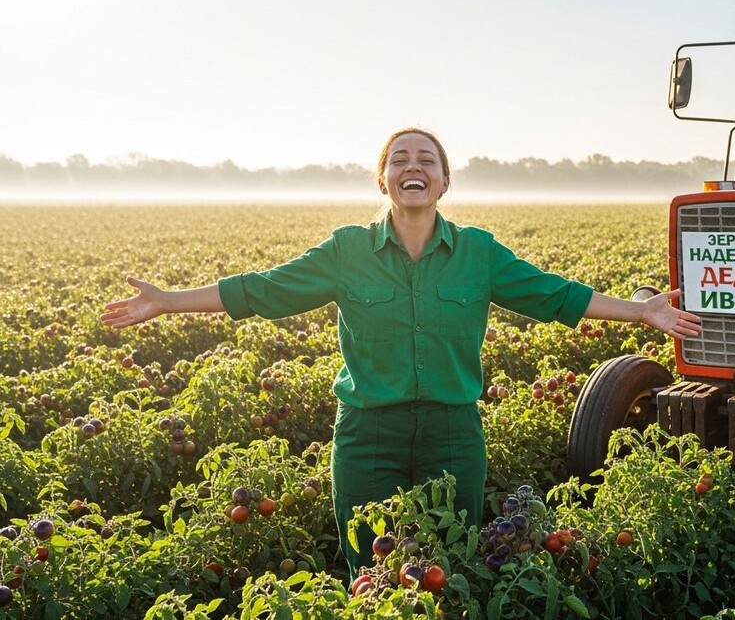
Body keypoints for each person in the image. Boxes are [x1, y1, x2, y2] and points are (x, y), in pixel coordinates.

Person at [101, 127, 702, 574]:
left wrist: (641, 310)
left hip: (452, 431)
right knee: (369, 568)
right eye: (399, 159)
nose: (413, 167)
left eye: (427, 160)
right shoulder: (346, 251)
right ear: (383, 178)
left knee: (449, 566)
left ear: (444, 181)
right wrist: (170, 300)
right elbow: (264, 290)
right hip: (368, 433)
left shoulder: (479, 252)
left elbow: (553, 296)